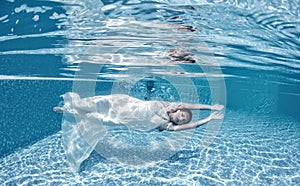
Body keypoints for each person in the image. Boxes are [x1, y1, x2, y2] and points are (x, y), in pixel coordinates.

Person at [54, 92, 224, 132]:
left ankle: (66, 109)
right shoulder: (168, 105)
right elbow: (191, 105)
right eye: (183, 115)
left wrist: (209, 118)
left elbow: (192, 126)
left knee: (92, 117)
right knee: (86, 104)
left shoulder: (167, 126)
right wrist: (210, 107)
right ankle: (73, 102)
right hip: (122, 102)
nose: (181, 119)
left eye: (183, 120)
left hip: (119, 120)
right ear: (179, 109)